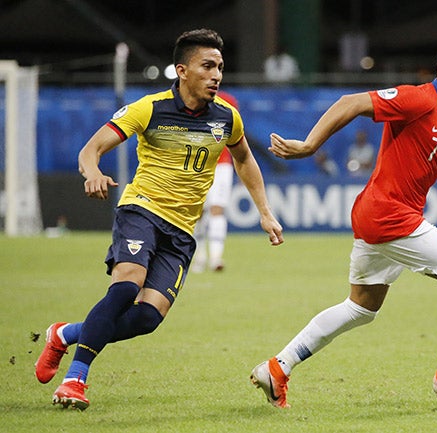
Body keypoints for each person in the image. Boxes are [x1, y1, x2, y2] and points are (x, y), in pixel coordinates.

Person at [251, 34, 437, 409]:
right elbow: (351, 102)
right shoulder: (417, 99)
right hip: (389, 215)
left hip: (381, 216)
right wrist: (310, 145)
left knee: (361, 308)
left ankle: (277, 368)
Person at [34, 29, 283, 411]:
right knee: (124, 288)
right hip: (142, 210)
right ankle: (75, 379)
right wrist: (92, 172)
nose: (216, 74)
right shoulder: (148, 108)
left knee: (148, 317)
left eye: (220, 67)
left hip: (181, 231)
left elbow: (245, 158)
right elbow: (91, 149)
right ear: (182, 70)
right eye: (207, 66)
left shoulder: (227, 118)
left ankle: (64, 334)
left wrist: (265, 212)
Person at [192, 90, 239, 272]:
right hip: (196, 164)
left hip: (221, 164)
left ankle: (216, 257)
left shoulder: (228, 100)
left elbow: (236, 136)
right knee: (198, 212)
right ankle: (200, 256)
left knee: (217, 208)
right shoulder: (189, 100)